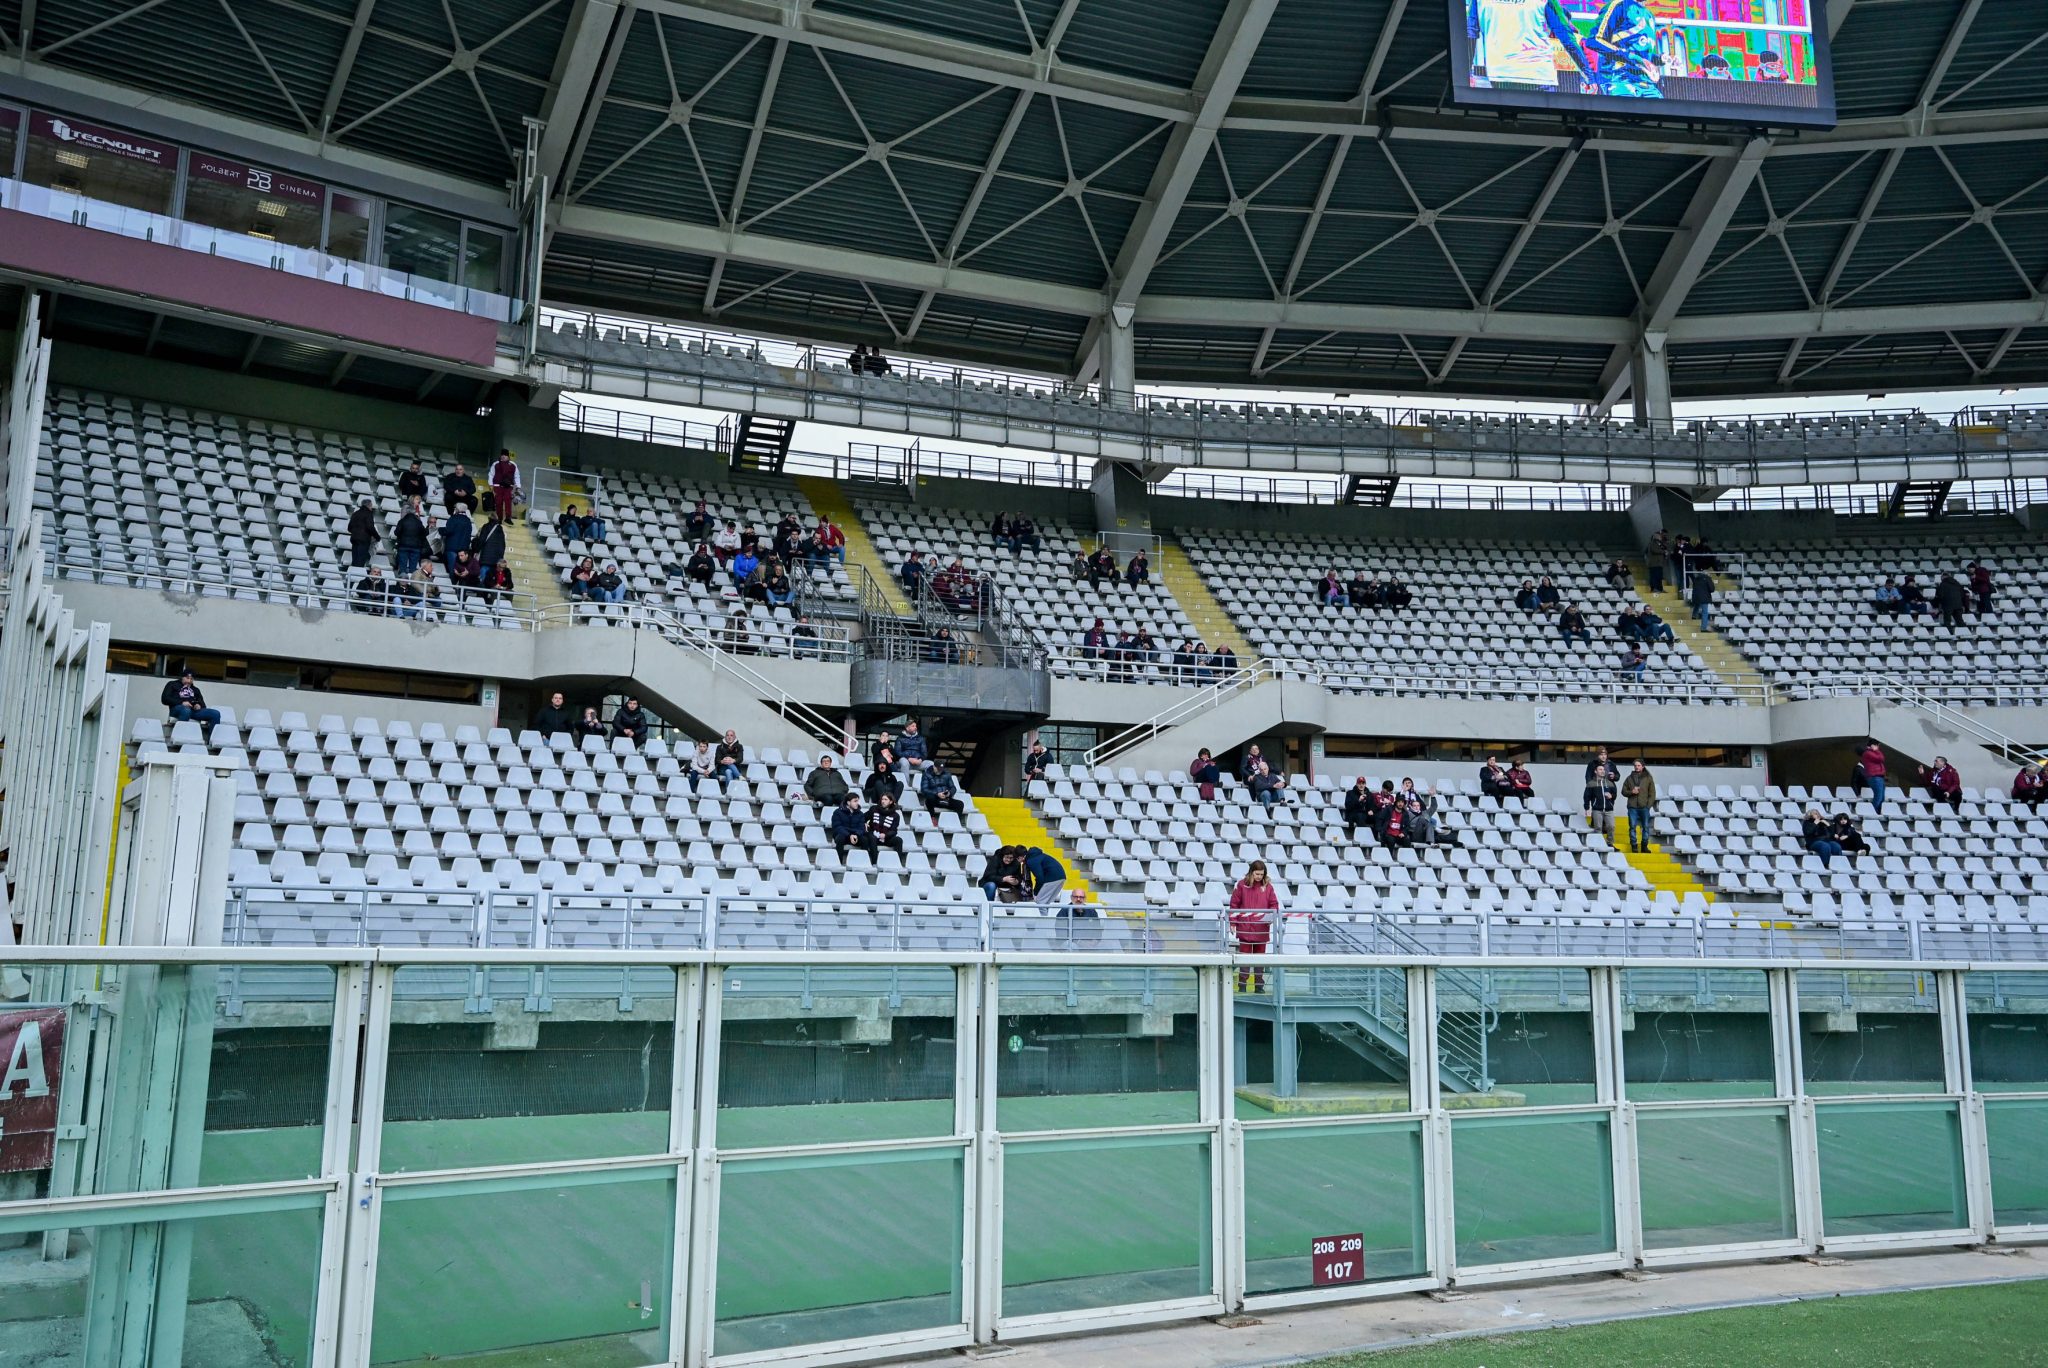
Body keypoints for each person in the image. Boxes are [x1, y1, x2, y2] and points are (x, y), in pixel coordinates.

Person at [1466, 0, 1594, 92]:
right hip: (1540, 76)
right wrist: (1589, 77)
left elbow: (1470, 33)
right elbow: (1567, 37)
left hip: (1500, 74)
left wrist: (1466, 74)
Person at [160, 670, 222, 736]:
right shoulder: (172, 684)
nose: (189, 681)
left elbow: (203, 705)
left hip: (193, 711)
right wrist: (182, 703)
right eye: (187, 678)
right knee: (186, 710)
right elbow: (164, 699)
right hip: (177, 709)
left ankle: (212, 740)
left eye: (191, 679)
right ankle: (178, 736)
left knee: (215, 714)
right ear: (182, 677)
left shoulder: (195, 689)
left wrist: (198, 705)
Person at [1621, 759, 1656, 853]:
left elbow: (1652, 793)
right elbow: (1623, 791)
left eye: (1639, 765)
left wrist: (1648, 806)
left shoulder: (1648, 778)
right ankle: (1634, 846)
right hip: (1632, 807)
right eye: (1635, 765)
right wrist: (1631, 792)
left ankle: (1644, 846)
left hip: (1644, 807)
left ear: (1643, 766)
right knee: (1632, 827)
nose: (1637, 767)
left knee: (1645, 827)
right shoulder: (1629, 778)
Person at [1583, 747, 1620, 831]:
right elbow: (1588, 777)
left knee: (1608, 810)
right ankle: (1595, 828)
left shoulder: (1611, 764)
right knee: (1596, 809)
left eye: (1605, 754)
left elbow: (1617, 776)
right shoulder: (1592, 764)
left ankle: (1606, 830)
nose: (1603, 756)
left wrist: (1614, 776)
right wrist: (1592, 787)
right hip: (1596, 790)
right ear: (1598, 755)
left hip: (1609, 790)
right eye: (1601, 754)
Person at [391, 499, 429, 577]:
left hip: (403, 546)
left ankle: (402, 583)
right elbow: (424, 533)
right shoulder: (418, 522)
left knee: (403, 568)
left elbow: (396, 532)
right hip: (416, 547)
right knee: (413, 569)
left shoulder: (402, 521)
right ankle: (411, 584)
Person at [867, 791, 906, 856]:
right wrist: (865, 823)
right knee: (872, 837)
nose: (883, 801)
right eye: (882, 799)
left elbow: (894, 830)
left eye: (885, 799)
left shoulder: (895, 815)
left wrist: (886, 835)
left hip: (886, 838)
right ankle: (874, 862)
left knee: (898, 840)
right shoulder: (874, 809)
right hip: (874, 836)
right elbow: (863, 817)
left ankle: (898, 862)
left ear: (890, 802)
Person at [1855, 740, 1887, 812]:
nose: (1878, 747)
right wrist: (1876, 751)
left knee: (1882, 797)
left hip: (1879, 777)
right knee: (1878, 797)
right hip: (1875, 777)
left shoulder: (1870, 753)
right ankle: (1872, 812)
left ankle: (1877, 812)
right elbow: (1881, 758)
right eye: (1877, 745)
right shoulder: (1867, 753)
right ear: (1873, 745)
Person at [488, 449, 520, 521]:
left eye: (505, 455)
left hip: (508, 487)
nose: (503, 456)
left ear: (508, 457)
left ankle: (508, 518)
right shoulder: (495, 464)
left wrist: (518, 486)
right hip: (497, 486)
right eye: (502, 455)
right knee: (498, 502)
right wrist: (490, 484)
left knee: (508, 500)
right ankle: (499, 519)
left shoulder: (513, 465)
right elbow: (491, 474)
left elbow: (517, 476)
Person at [473, 514, 507, 580]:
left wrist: (476, 550)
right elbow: (503, 544)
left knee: (484, 570)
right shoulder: (500, 529)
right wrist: (500, 557)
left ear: (489, 519)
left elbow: (481, 540)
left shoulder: (486, 527)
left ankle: (481, 587)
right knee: (491, 575)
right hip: (497, 557)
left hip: (486, 556)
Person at [347, 499, 378, 569]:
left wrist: (356, 532)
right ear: (369, 505)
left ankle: (353, 576)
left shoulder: (355, 514)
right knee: (360, 561)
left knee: (355, 560)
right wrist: (377, 537)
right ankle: (357, 577)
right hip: (364, 540)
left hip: (354, 539)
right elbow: (370, 527)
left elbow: (349, 528)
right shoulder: (369, 514)